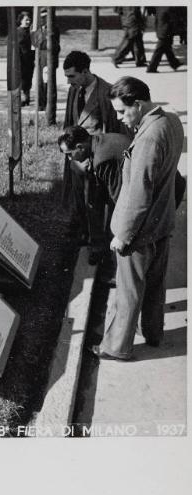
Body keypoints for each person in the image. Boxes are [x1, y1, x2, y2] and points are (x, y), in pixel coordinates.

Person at [92, 77, 184, 360]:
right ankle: (153, 333)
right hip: (162, 223)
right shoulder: (171, 122)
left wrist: (123, 235)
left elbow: (139, 191)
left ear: (140, 104)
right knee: (155, 286)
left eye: (122, 111)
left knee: (128, 292)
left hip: (140, 230)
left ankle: (116, 347)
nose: (120, 119)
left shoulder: (148, 137)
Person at [62, 50, 125, 264]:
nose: (68, 81)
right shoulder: (74, 89)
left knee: (97, 203)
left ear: (86, 71)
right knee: (82, 201)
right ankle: (85, 234)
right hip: (77, 160)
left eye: (72, 76)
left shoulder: (106, 92)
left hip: (97, 161)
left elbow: (113, 129)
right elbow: (70, 122)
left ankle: (99, 246)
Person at [31, 8, 60, 111]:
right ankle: (40, 104)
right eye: (42, 17)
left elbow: (56, 46)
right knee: (39, 81)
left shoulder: (53, 29)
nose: (44, 20)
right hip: (40, 57)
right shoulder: (36, 29)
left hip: (48, 57)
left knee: (48, 82)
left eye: (46, 17)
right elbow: (34, 44)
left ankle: (49, 104)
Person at [146, 7, 183, 73]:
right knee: (159, 51)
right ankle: (151, 68)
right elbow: (173, 21)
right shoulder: (169, 8)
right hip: (166, 31)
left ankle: (174, 63)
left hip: (161, 30)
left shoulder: (160, 7)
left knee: (167, 48)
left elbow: (157, 19)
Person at [16, 11, 35, 106]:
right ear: (21, 20)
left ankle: (27, 98)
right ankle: (21, 98)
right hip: (21, 60)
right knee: (21, 80)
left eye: (29, 20)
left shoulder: (30, 31)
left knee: (28, 79)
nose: (28, 22)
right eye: (26, 20)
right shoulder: (18, 31)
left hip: (30, 59)